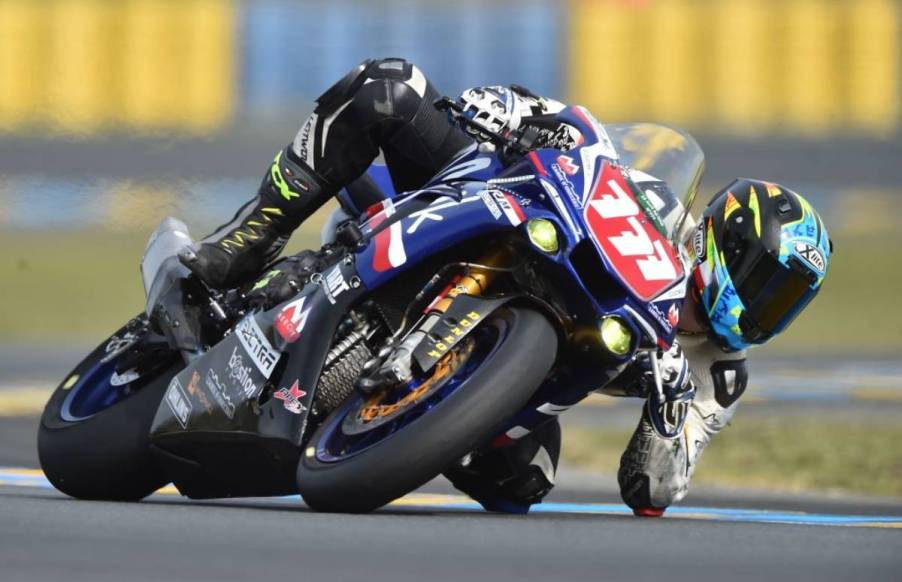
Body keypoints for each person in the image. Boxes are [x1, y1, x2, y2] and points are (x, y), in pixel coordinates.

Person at [180, 58, 832, 515]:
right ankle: (246, 241)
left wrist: (665, 416)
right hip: (486, 203)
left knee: (524, 486)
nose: (765, 308)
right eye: (765, 283)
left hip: (529, 369)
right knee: (390, 88)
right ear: (725, 246)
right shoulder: (660, 200)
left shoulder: (717, 377)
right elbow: (588, 140)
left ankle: (408, 422)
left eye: (786, 301)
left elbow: (653, 490)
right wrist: (519, 110)